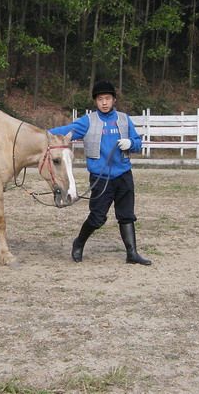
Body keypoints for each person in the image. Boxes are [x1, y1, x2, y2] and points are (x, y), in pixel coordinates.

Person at [49, 80, 152, 265]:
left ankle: (132, 253)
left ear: (114, 100)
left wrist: (131, 143)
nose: (104, 102)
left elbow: (138, 142)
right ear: (95, 102)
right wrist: (37, 134)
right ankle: (79, 243)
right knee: (97, 218)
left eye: (107, 98)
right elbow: (60, 132)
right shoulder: (87, 121)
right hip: (100, 178)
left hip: (124, 176)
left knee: (126, 215)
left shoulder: (123, 119)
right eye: (100, 99)